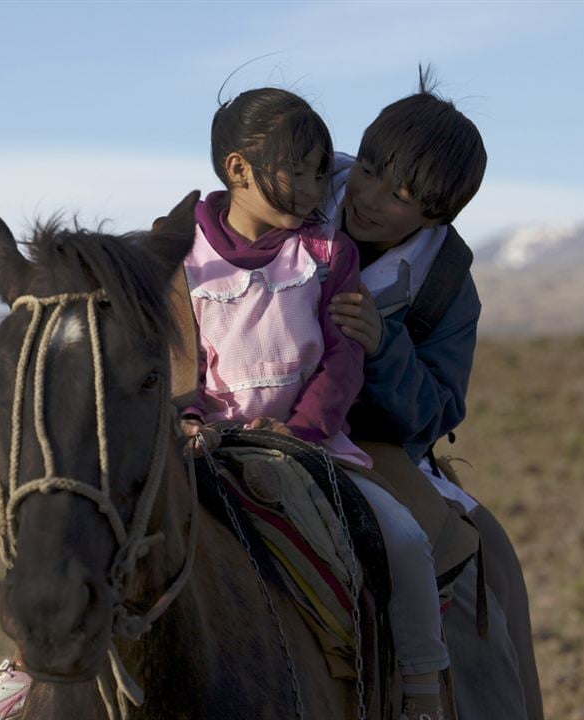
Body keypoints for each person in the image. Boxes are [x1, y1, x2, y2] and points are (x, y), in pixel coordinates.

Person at [177, 86, 450, 720]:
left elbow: (341, 357)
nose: (311, 188)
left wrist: (304, 429)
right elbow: (171, 356)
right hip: (202, 448)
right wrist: (189, 420)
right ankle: (29, 676)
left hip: (310, 447)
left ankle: (419, 692)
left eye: (319, 171)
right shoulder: (180, 259)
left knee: (405, 541)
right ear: (238, 168)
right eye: (293, 171)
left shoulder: (328, 254)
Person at [325, 68, 542, 719]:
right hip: (230, 412)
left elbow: (436, 413)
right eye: (366, 168)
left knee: (459, 561)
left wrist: (381, 349)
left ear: (433, 214)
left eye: (398, 195)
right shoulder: (295, 188)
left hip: (365, 446)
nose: (366, 197)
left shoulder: (446, 285)